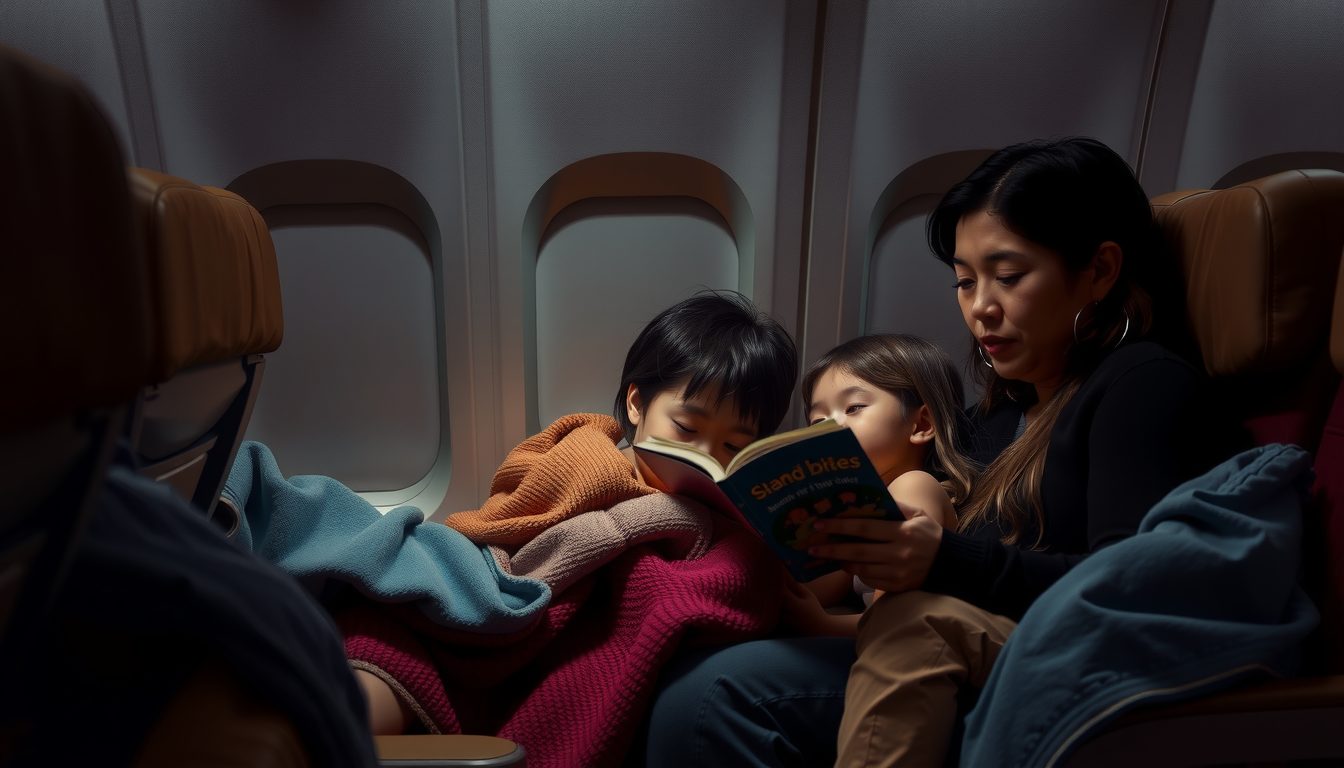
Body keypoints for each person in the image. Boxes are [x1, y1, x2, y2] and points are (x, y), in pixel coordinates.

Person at [643, 137, 1212, 768]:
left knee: (712, 698)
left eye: (1010, 277)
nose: (980, 309)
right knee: (692, 672)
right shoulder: (998, 413)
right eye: (966, 283)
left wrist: (944, 560)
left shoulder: (1142, 386)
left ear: (1100, 271)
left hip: (1053, 657)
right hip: (955, 643)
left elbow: (1128, 587)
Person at [341, 289, 799, 767]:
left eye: (731, 445)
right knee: (381, 644)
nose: (703, 455)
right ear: (637, 404)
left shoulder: (732, 530)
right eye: (685, 428)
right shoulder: (575, 458)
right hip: (491, 611)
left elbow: (717, 591)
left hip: (559, 653)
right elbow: (499, 525)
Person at [784, 334, 977, 637]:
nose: (831, 429)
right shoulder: (865, 501)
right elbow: (828, 587)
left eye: (853, 408)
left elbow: (893, 624)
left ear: (921, 425)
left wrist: (820, 625)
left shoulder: (914, 487)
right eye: (818, 421)